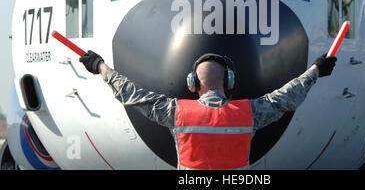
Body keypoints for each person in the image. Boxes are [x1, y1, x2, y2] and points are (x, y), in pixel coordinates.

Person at [79, 51, 337, 170]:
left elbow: (132, 94)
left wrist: (101, 66)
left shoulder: (176, 113)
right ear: (229, 82)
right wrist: (316, 71)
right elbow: (286, 98)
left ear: (193, 84)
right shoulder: (249, 112)